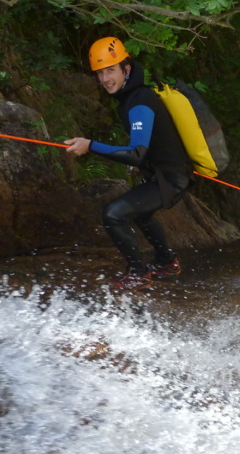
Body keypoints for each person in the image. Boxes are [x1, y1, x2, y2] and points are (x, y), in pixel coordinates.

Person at [64, 37, 193, 289]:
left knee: (113, 214)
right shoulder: (131, 98)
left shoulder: (140, 103)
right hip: (165, 174)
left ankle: (138, 272)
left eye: (110, 70)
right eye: (100, 73)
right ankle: (166, 262)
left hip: (171, 178)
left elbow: (136, 154)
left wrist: (91, 145)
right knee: (142, 215)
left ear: (127, 69)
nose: (105, 79)